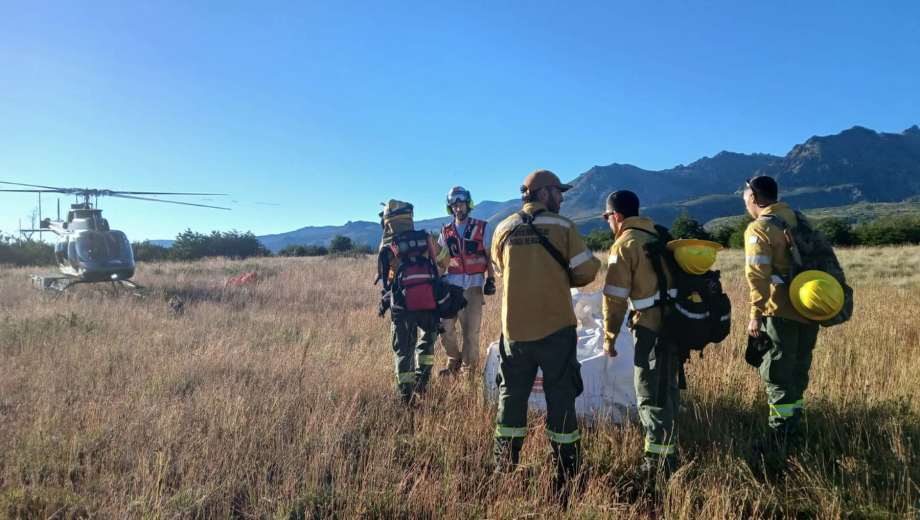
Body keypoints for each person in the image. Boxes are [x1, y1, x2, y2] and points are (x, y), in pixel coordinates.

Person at [490, 169, 600, 491]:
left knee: (511, 398)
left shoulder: (503, 229)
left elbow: (500, 270)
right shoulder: (563, 227)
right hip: (556, 329)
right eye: (558, 192)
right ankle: (567, 473)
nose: (562, 197)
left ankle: (503, 468)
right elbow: (585, 272)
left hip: (515, 332)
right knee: (561, 398)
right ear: (542, 194)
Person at [600, 190, 680, 478]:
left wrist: (609, 337)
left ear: (617, 217)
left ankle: (658, 465)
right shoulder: (660, 236)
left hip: (649, 329)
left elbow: (614, 298)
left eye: (607, 217)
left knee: (649, 395)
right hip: (676, 326)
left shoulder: (624, 245)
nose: (608, 222)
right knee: (668, 389)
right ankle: (669, 446)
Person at [742, 176, 820, 460]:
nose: (745, 203)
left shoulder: (760, 229)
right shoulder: (800, 221)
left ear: (755, 198)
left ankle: (779, 441)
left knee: (777, 376)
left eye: (745, 198)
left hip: (779, 312)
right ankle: (794, 433)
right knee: (798, 374)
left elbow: (757, 277)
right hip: (810, 309)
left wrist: (755, 315)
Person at [376, 200, 441, 404]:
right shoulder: (426, 238)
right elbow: (445, 260)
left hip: (402, 307)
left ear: (388, 222)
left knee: (403, 350)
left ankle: (406, 396)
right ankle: (423, 382)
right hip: (429, 304)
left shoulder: (388, 246)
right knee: (427, 345)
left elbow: (386, 280)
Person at [436, 186, 496, 377]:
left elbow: (489, 256)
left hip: (474, 287)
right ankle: (454, 359)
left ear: (467, 205)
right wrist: (436, 281)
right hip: (451, 287)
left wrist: (491, 279)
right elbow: (442, 260)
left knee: (471, 334)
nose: (458, 209)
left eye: (461, 204)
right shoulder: (445, 232)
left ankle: (468, 374)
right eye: (454, 205)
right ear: (450, 208)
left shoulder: (482, 227)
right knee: (444, 329)